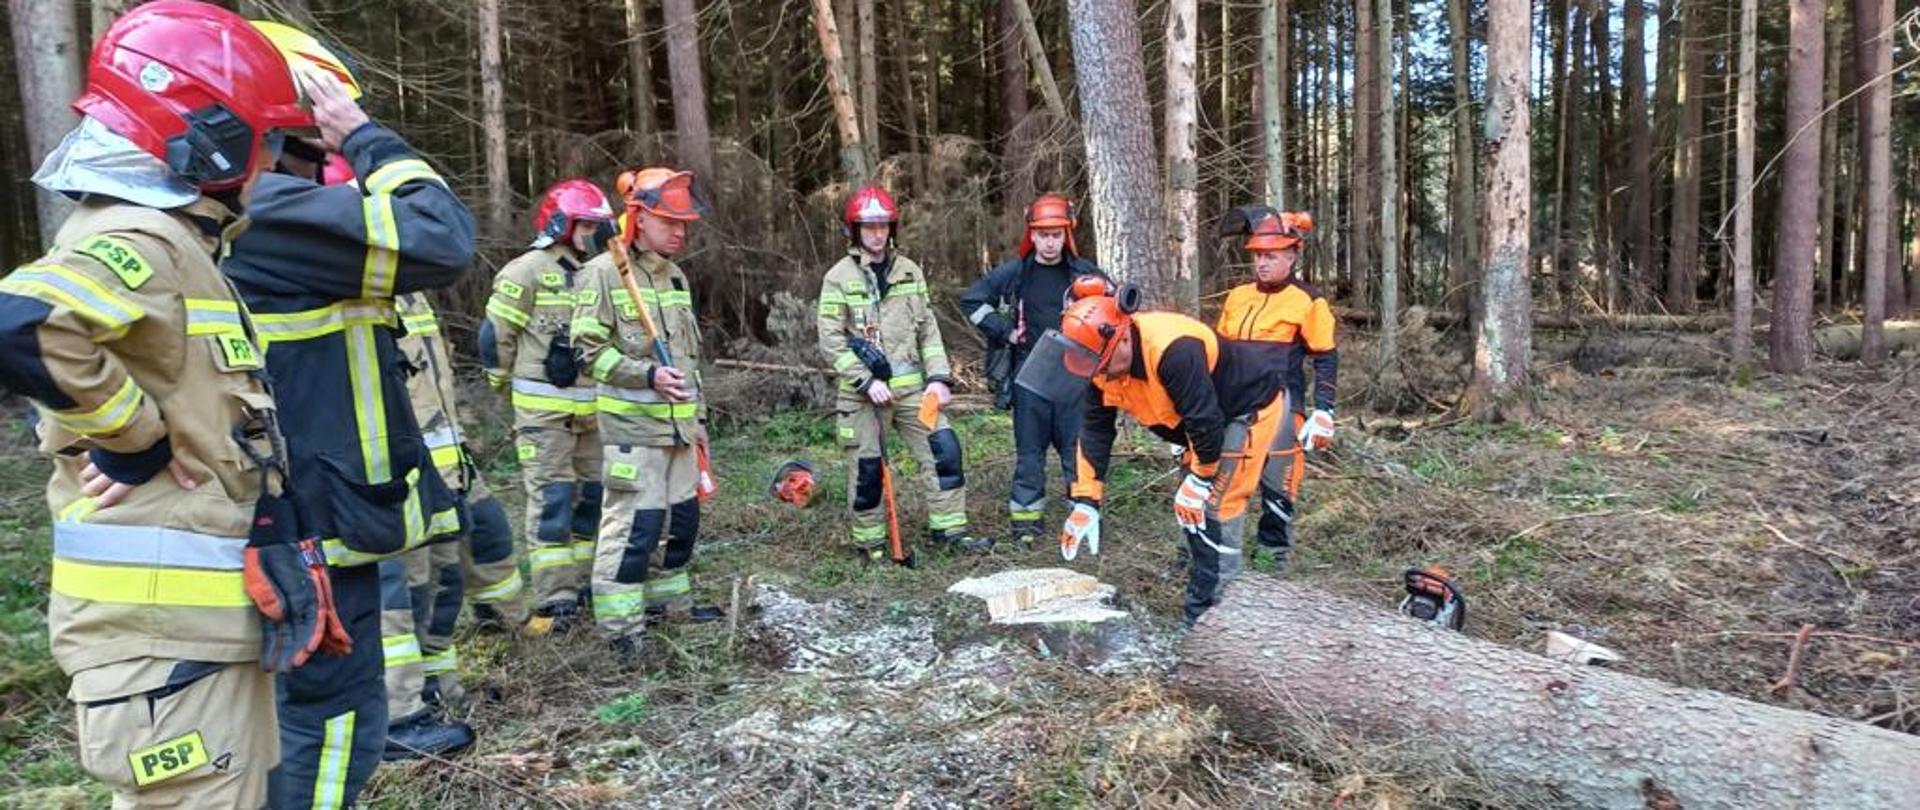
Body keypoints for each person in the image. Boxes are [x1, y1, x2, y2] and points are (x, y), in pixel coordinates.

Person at [0, 2, 345, 805]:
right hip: (161, 647)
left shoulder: (183, 242)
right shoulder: (138, 234)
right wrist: (131, 439)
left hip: (195, 636)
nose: (271, 166)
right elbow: (21, 323)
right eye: (264, 143)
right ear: (210, 135)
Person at [224, 19, 476, 805]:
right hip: (315, 524)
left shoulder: (224, 223)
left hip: (315, 512)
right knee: (329, 727)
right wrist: (369, 137)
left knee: (297, 725)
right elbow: (440, 236)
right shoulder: (270, 213)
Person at [1018, 289, 1294, 626]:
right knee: (1190, 504)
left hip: (1245, 407)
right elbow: (1094, 432)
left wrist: (1202, 476)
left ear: (1121, 340)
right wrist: (1086, 500)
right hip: (1199, 421)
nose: (1097, 375)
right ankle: (1193, 566)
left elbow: (1205, 420)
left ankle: (1214, 617)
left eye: (1100, 367)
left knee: (1216, 506)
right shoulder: (1097, 363)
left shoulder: (1172, 350)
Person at [571, 167, 723, 658]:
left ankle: (670, 607)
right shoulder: (602, 273)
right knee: (633, 530)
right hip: (634, 430)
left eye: (684, 224)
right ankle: (621, 632)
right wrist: (647, 375)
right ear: (638, 217)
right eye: (669, 222)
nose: (680, 232)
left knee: (680, 523)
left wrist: (696, 423)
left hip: (678, 428)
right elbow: (587, 351)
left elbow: (688, 357)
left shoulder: (675, 276)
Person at [817, 185, 989, 560]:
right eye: (869, 227)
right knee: (867, 471)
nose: (877, 234)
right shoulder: (838, 278)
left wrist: (940, 378)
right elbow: (831, 341)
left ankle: (950, 532)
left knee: (944, 449)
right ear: (855, 230)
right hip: (863, 396)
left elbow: (927, 329)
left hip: (913, 392)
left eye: (883, 226)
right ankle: (871, 544)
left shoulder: (910, 271)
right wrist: (866, 381)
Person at [482, 179, 615, 636]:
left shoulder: (603, 271)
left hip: (594, 412)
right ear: (562, 224)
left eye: (599, 225)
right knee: (553, 501)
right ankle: (555, 597)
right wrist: (503, 384)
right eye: (586, 225)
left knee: (593, 500)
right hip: (544, 415)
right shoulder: (527, 271)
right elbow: (494, 337)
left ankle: (584, 584)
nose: (593, 234)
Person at [959, 194, 1108, 545]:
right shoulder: (1016, 273)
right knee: (1030, 451)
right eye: (1043, 234)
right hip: (1030, 372)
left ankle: (1083, 519)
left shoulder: (1084, 273)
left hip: (1075, 373)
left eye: (1056, 234)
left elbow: (1113, 308)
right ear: (1033, 236)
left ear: (1066, 234)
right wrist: (1004, 330)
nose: (1050, 242)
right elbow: (972, 300)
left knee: (1077, 449)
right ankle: (1026, 525)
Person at [1213, 207, 1337, 573]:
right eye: (1257, 256)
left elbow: (1326, 356)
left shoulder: (1308, 301)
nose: (1262, 263)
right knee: (1220, 476)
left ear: (1292, 255)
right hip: (1235, 401)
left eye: (1270, 256)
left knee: (1278, 483)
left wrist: (1324, 409)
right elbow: (1216, 351)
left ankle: (1272, 556)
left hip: (1283, 403)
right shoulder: (1237, 296)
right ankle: (1205, 553)